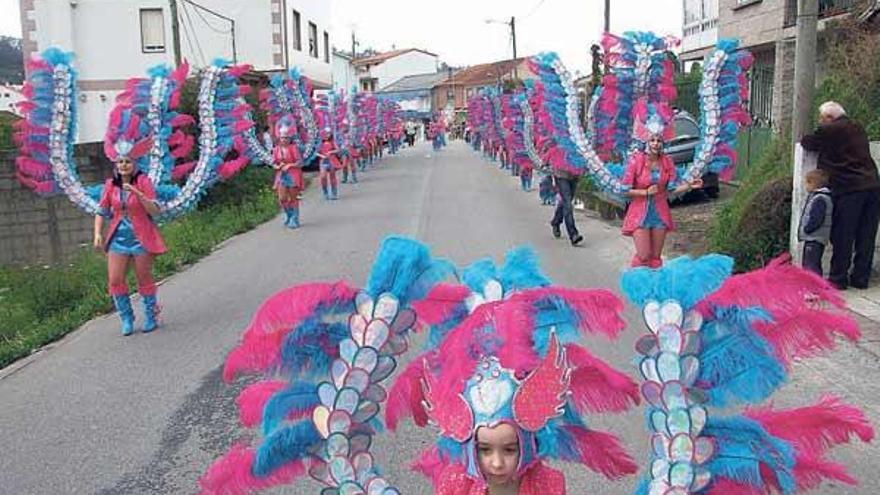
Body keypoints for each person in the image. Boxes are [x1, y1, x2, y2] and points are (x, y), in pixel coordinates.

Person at [93, 109, 166, 336]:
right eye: (120, 162)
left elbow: (155, 210)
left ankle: (151, 314)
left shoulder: (144, 181)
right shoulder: (110, 186)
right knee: (115, 279)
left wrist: (137, 192)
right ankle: (126, 318)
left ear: (134, 163)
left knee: (144, 277)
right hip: (118, 238)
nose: (124, 165)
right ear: (116, 165)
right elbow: (102, 210)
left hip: (141, 237)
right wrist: (97, 233)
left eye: (128, 161)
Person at [801, 101, 880, 289]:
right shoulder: (857, 127)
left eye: (822, 118)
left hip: (850, 187)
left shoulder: (829, 130)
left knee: (843, 234)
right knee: (866, 236)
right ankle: (860, 278)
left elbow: (808, 142)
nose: (820, 122)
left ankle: (838, 278)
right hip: (873, 185)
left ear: (829, 118)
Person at [622, 111, 702, 267]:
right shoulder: (636, 161)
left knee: (655, 257)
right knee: (644, 255)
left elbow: (671, 190)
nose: (655, 144)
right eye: (652, 140)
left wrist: (689, 186)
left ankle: (655, 288)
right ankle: (637, 285)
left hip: (660, 213)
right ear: (646, 142)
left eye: (658, 140)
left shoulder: (667, 162)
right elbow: (624, 189)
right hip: (639, 214)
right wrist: (644, 192)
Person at [545, 142, 584, 246]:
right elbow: (544, 161)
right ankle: (573, 234)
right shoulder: (556, 146)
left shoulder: (576, 144)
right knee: (567, 203)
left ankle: (555, 221)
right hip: (560, 176)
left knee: (565, 201)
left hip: (574, 176)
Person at [798, 169, 833, 276]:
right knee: (812, 263)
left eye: (807, 183)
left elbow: (817, 218)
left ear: (813, 184)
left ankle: (814, 285)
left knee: (811, 264)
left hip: (814, 237)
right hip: (816, 237)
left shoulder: (819, 199)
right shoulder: (821, 197)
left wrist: (807, 229)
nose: (806, 186)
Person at [271, 117, 303, 228]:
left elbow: (299, 162)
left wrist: (290, 165)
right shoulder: (276, 150)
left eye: (286, 138)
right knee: (282, 198)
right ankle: (289, 214)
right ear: (279, 138)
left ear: (290, 139)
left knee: (293, 198)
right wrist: (278, 166)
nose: (284, 140)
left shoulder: (293, 148)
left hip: (293, 174)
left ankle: (295, 218)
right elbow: (273, 163)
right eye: (282, 138)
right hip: (281, 175)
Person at [317, 128, 342, 200]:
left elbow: (338, 149)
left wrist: (331, 152)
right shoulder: (319, 143)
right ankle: (325, 192)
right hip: (323, 161)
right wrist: (322, 156)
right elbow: (315, 153)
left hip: (332, 160)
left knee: (332, 177)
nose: (327, 135)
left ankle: (334, 193)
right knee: (323, 177)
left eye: (328, 133)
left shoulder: (332, 142)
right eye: (325, 133)